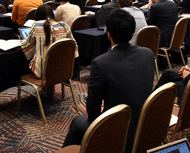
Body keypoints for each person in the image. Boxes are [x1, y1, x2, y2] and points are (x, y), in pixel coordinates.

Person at [62, 9, 154, 153]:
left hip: (118, 130)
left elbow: (93, 111)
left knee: (77, 122)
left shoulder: (100, 63)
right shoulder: (148, 54)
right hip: (145, 124)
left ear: (108, 34)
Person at [21, 4, 78, 79]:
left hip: (41, 73)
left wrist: (22, 42)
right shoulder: (65, 26)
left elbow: (27, 46)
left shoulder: (36, 25)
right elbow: (74, 46)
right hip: (62, 70)